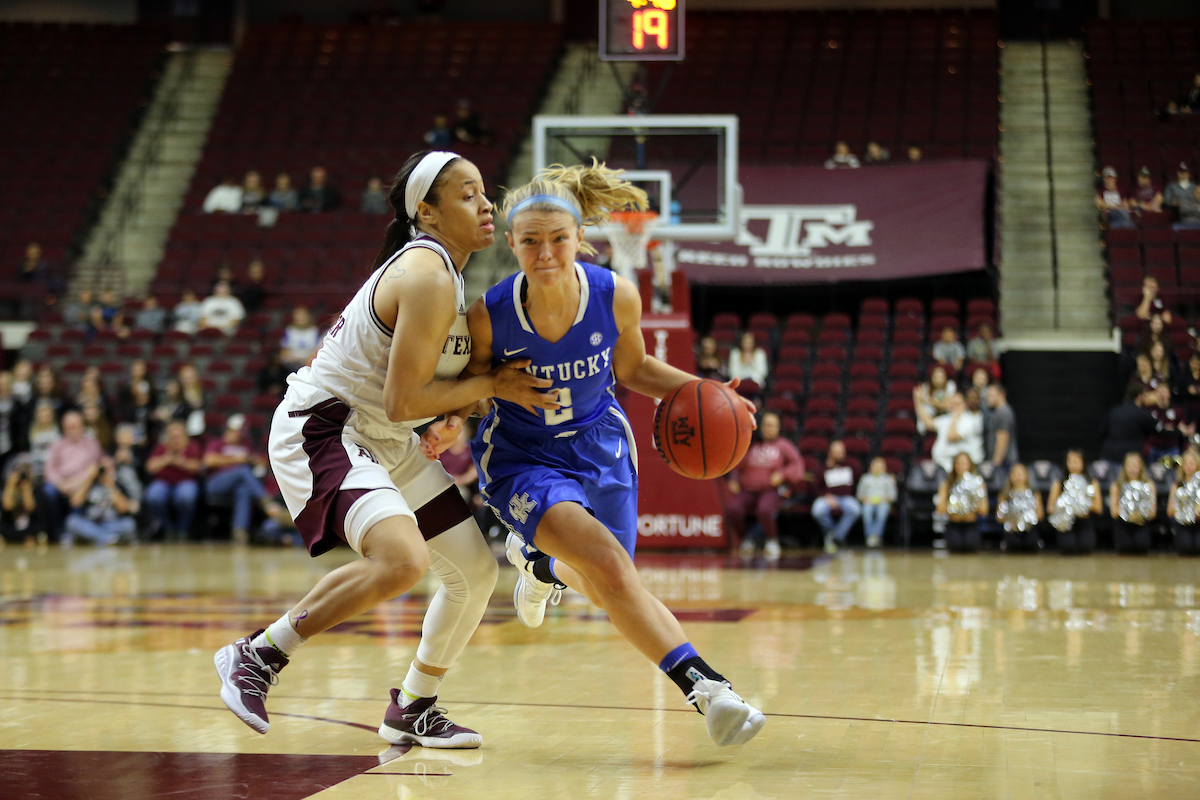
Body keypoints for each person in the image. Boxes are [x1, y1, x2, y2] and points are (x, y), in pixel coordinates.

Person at [214, 150, 551, 749]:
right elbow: (401, 400)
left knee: (473, 573)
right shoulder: (425, 272)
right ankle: (258, 654)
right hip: (326, 428)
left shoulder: (445, 271)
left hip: (382, 437)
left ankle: (414, 706)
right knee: (403, 560)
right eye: (468, 194)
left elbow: (420, 398)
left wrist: (459, 407)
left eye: (484, 193)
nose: (487, 205)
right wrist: (491, 386)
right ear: (426, 211)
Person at [437, 159, 766, 747]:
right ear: (510, 243)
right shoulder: (489, 315)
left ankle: (538, 565)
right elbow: (467, 387)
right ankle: (710, 690)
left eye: (558, 240)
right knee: (612, 570)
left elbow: (633, 368)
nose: (545, 254)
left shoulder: (616, 297)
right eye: (531, 241)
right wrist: (462, 410)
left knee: (616, 579)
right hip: (522, 455)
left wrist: (708, 391)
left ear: (580, 240)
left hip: (601, 443)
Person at [723, 411, 804, 559]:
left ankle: (772, 541)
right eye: (766, 425)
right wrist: (733, 479)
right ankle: (746, 540)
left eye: (772, 425)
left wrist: (782, 474)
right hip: (748, 489)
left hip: (771, 490)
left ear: (779, 428)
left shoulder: (783, 445)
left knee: (764, 509)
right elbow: (737, 466)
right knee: (733, 509)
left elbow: (797, 465)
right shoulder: (751, 444)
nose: (768, 428)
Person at [205, 414, 267, 545]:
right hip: (215, 484)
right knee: (242, 470)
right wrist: (236, 459)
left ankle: (239, 531)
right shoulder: (217, 443)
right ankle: (265, 500)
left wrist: (253, 460)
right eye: (234, 431)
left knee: (243, 490)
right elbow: (208, 461)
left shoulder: (246, 446)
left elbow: (262, 463)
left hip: (235, 488)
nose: (237, 434)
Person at [42, 411, 103, 538]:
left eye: (75, 426)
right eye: (68, 427)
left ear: (82, 426)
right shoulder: (57, 444)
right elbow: (49, 470)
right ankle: (59, 531)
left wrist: (78, 483)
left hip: (83, 483)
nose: (72, 430)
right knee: (48, 491)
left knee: (84, 494)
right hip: (61, 484)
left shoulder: (91, 443)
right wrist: (61, 484)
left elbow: (94, 468)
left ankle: (75, 530)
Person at [62, 455, 139, 547]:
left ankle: (96, 539)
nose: (104, 471)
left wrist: (110, 486)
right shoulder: (89, 484)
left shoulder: (116, 484)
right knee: (72, 521)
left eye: (107, 468)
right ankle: (108, 539)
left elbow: (123, 508)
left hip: (112, 524)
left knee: (129, 524)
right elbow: (75, 502)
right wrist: (89, 478)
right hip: (90, 523)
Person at [144, 420, 202, 540]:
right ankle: (168, 528)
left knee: (185, 497)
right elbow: (149, 467)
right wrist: (167, 459)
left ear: (185, 438)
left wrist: (182, 463)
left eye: (178, 437)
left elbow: (199, 467)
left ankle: (183, 529)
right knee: (153, 496)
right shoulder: (161, 448)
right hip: (163, 482)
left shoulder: (192, 447)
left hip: (185, 481)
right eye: (172, 437)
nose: (175, 440)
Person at [1047, 449, 1103, 555]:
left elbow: (1098, 508)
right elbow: (1050, 508)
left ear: (1083, 463)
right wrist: (1064, 504)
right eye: (1070, 461)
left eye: (1076, 461)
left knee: (1086, 548)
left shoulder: (1092, 482)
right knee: (1068, 547)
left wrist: (1081, 504)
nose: (1073, 465)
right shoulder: (1059, 482)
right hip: (1066, 522)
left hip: (1084, 521)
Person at [812, 439, 861, 554]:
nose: (840, 454)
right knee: (817, 510)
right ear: (830, 453)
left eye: (842, 452)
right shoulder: (822, 468)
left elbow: (860, 479)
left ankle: (835, 537)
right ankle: (834, 536)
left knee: (855, 509)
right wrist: (826, 496)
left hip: (846, 498)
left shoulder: (851, 465)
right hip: (827, 498)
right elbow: (815, 488)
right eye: (837, 452)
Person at [919, 392, 984, 472]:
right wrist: (918, 401)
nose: (954, 406)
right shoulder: (947, 418)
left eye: (957, 403)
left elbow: (951, 436)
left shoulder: (969, 420)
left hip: (959, 467)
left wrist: (955, 419)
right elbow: (927, 423)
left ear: (964, 404)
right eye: (952, 403)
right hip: (941, 463)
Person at [935, 452, 988, 552]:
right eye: (958, 463)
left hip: (971, 526)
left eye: (964, 463)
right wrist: (956, 506)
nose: (961, 466)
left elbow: (984, 510)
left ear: (970, 465)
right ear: (954, 466)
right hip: (953, 526)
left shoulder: (978, 483)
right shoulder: (946, 484)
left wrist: (969, 504)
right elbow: (940, 509)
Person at [1109, 451, 1155, 554]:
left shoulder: (1149, 485)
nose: (1132, 469)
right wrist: (1128, 514)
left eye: (1135, 466)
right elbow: (1114, 512)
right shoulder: (1117, 485)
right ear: (1124, 467)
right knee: (1125, 547)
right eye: (1129, 466)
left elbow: (1152, 512)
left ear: (1141, 468)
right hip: (1123, 523)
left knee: (1142, 546)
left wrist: (1139, 514)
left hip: (1141, 522)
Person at [1099, 385, 1158, 462]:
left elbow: (1102, 431)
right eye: (1145, 395)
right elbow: (1158, 431)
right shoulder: (1143, 414)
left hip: (1110, 454)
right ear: (1140, 396)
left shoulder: (1114, 410)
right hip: (1131, 458)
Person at [996, 463, 1043, 551]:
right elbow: (999, 517)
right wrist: (1013, 518)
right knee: (1013, 545)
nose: (1018, 477)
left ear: (1026, 476)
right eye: (1015, 474)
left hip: (1029, 529)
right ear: (1010, 477)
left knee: (1031, 544)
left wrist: (1026, 518)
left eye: (1021, 474)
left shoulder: (1034, 493)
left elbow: (1040, 515)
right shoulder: (1004, 495)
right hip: (1012, 530)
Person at [1, 454, 44, 546]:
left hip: (30, 526)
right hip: (11, 525)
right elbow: (7, 506)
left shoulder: (36, 489)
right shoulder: (8, 487)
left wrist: (26, 489)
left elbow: (30, 508)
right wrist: (10, 485)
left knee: (39, 528)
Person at [856, 457, 896, 549]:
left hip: (883, 502)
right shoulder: (865, 479)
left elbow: (893, 496)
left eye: (880, 466)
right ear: (871, 467)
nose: (877, 468)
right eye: (875, 466)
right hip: (868, 502)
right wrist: (865, 499)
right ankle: (870, 537)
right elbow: (860, 495)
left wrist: (885, 499)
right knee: (867, 510)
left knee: (882, 510)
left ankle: (876, 537)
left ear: (884, 468)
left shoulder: (889, 479)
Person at [1147, 382, 1193, 461]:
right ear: (1155, 394)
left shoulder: (1178, 410)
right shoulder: (1149, 410)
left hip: (1172, 448)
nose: (1162, 395)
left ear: (1169, 394)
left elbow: (1183, 430)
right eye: (1159, 392)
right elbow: (1149, 429)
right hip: (1154, 448)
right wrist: (1171, 430)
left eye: (1164, 392)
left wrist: (1175, 431)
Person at [1168, 448, 1200, 556]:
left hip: (1198, 522)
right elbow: (1170, 511)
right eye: (1186, 463)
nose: (1188, 466)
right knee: (1185, 547)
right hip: (1182, 523)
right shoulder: (1177, 485)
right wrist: (1184, 512)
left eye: (1192, 463)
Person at [913, 365, 955, 433]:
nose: (939, 380)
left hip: (945, 418)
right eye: (936, 377)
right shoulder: (925, 388)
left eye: (941, 377)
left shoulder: (950, 386)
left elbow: (948, 406)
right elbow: (920, 404)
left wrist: (929, 401)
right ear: (931, 378)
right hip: (929, 418)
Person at [727, 330, 769, 397]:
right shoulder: (735, 353)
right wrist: (743, 363)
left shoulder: (760, 353)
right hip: (739, 383)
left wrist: (751, 362)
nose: (747, 345)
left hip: (756, 383)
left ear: (753, 343)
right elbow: (732, 373)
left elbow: (763, 373)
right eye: (745, 342)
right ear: (741, 342)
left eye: (749, 342)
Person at [985, 384, 1018, 468]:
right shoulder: (996, 412)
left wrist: (996, 463)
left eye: (991, 395)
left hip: (1005, 462)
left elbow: (1002, 438)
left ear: (1001, 395)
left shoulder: (1004, 412)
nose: (988, 398)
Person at [280, 306, 322, 370]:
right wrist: (294, 359)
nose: (301, 320)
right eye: (299, 318)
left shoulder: (314, 331)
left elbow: (317, 350)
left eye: (303, 318)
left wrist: (307, 360)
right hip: (292, 362)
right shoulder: (290, 331)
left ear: (308, 317)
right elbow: (284, 351)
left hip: (309, 361)